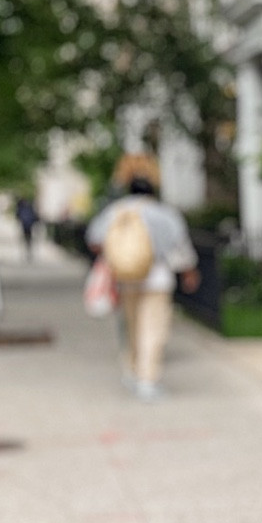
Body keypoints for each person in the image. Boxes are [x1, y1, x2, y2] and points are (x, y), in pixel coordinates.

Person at [86, 156, 199, 400]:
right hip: (156, 279)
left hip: (126, 278)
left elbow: (94, 239)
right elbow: (180, 248)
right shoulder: (163, 214)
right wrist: (189, 273)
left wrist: (118, 252)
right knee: (153, 329)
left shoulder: (114, 212)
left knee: (132, 327)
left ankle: (132, 371)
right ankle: (147, 380)